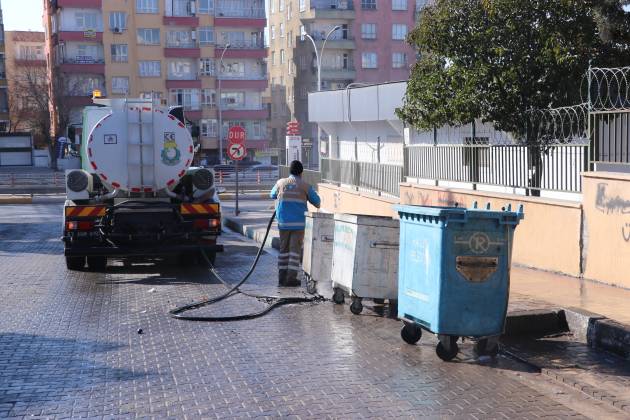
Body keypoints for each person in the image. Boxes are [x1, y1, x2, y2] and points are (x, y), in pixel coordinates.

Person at [270, 160, 321, 287]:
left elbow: (272, 194)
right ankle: (291, 278)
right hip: (298, 224)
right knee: (294, 251)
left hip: (283, 223)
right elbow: (318, 202)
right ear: (301, 172)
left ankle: (281, 277)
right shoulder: (305, 186)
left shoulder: (281, 183)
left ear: (290, 171)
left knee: (284, 250)